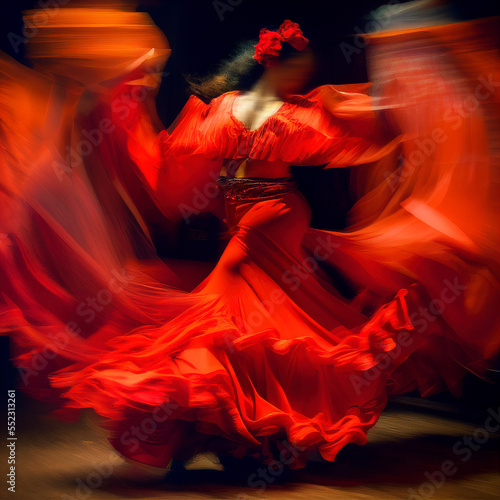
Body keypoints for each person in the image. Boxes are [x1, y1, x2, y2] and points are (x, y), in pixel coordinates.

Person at [1, 3, 499, 473]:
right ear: (280, 67)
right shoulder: (261, 112)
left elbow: (191, 179)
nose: (304, 78)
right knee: (257, 331)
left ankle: (230, 423)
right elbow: (355, 134)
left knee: (233, 318)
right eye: (299, 68)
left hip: (263, 218)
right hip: (262, 219)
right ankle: (245, 431)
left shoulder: (255, 111)